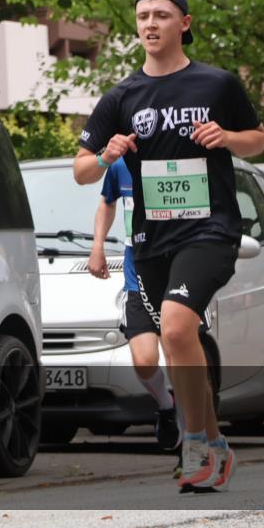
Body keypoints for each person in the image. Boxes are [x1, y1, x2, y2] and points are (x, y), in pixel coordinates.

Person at [73, 0, 264, 493]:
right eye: (143, 16)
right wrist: (105, 156)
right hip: (152, 239)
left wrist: (226, 138)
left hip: (211, 230)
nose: (151, 24)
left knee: (178, 329)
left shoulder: (216, 84)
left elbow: (259, 139)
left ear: (184, 22)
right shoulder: (122, 97)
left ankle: (194, 442)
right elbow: (81, 172)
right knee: (181, 343)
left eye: (161, 14)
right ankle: (217, 444)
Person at [87, 157, 180, 454]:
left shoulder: (177, 157)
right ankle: (167, 408)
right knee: (143, 359)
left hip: (180, 271)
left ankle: (193, 430)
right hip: (137, 276)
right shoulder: (120, 165)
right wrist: (97, 247)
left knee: (179, 350)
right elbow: (106, 201)